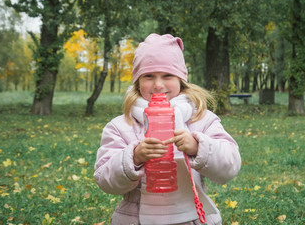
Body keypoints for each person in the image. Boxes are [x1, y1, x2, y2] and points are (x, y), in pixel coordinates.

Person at [94, 33, 241, 225]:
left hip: (194, 218)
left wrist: (198, 147)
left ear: (181, 79)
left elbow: (230, 166)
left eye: (167, 75)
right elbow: (105, 180)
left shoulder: (201, 119)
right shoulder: (121, 126)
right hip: (135, 219)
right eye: (148, 76)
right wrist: (134, 156)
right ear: (138, 81)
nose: (158, 85)